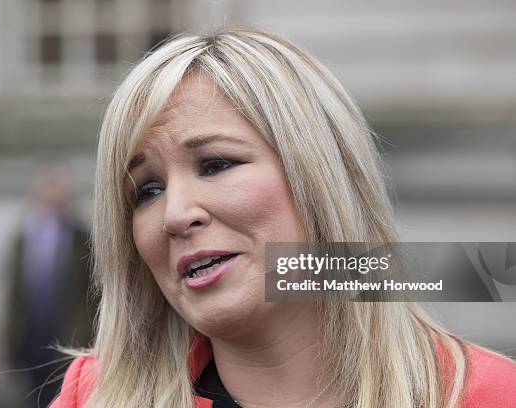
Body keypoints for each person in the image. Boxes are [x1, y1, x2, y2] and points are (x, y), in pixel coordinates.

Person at [50, 29, 516, 408]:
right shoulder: (93, 396)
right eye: (147, 191)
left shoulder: (489, 395)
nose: (175, 215)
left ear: (317, 174)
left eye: (215, 165)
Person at [4, 165, 97, 407]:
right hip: (32, 335)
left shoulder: (81, 238)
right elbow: (14, 295)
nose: (54, 194)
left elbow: (92, 293)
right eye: (49, 187)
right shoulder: (24, 238)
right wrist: (9, 341)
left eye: (60, 188)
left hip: (68, 337)